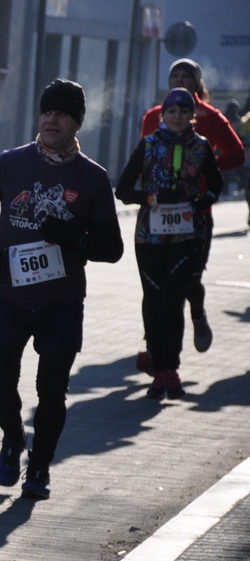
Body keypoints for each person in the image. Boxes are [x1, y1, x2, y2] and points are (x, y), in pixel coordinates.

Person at [0, 79, 123, 500]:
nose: (52, 120)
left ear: (77, 123)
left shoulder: (93, 178)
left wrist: (75, 239)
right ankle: (13, 438)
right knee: (0, 385)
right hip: (8, 298)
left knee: (51, 392)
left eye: (62, 114)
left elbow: (112, 249)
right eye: (47, 112)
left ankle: (39, 466)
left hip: (61, 304)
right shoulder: (10, 163)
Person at [117, 88, 223, 400]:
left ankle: (171, 369)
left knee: (172, 301)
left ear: (192, 115)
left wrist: (202, 201)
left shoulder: (201, 146)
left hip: (187, 237)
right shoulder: (149, 145)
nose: (177, 116)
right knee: (154, 301)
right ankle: (159, 370)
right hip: (149, 237)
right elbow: (123, 189)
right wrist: (150, 198)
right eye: (171, 111)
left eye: (183, 111)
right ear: (162, 115)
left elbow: (216, 184)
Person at [137, 58, 244, 360]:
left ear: (197, 84)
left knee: (189, 280)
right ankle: (156, 343)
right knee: (156, 283)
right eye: (175, 75)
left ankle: (197, 312)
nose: (180, 80)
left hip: (195, 213)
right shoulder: (152, 116)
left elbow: (236, 154)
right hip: (157, 213)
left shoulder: (210, 116)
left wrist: (202, 168)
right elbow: (142, 160)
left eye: (187, 76)